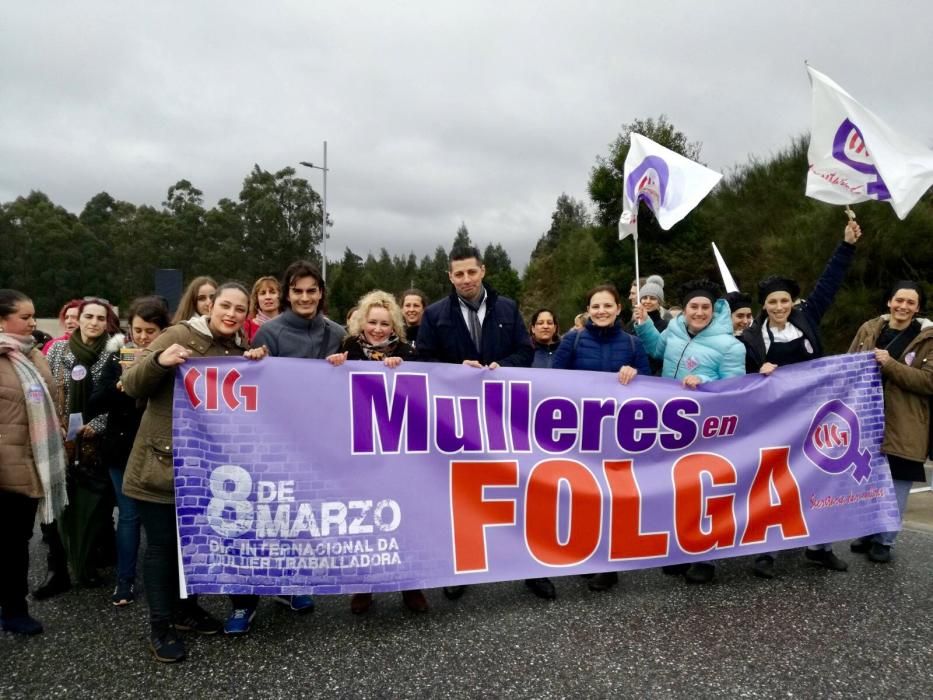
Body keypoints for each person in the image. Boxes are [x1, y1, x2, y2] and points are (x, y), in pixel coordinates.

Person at [122, 282, 266, 663]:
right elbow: (133, 382)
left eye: (240, 309)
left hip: (204, 469)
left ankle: (185, 611)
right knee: (163, 548)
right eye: (225, 306)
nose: (231, 314)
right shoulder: (180, 334)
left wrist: (257, 364)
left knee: (191, 547)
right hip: (161, 464)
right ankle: (161, 626)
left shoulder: (236, 350)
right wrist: (159, 361)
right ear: (211, 306)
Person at [416, 246, 554, 601]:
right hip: (456, 418)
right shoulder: (434, 314)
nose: (465, 280)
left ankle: (531, 567)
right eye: (458, 274)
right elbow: (424, 360)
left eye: (471, 273)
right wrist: (456, 371)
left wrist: (501, 366)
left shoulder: (506, 308)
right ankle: (458, 567)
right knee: (459, 491)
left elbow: (526, 351)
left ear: (483, 271)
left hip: (504, 414)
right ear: (450, 276)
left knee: (519, 485)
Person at [228, 261, 345, 634]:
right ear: (286, 294)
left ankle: (292, 586)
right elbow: (252, 388)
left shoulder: (338, 333)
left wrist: (350, 363)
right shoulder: (270, 333)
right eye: (298, 291)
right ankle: (243, 602)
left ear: (321, 293)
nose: (306, 297)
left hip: (318, 445)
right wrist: (253, 361)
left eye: (312, 290)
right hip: (273, 445)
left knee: (299, 520)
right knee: (259, 521)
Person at [741, 221, 862, 579]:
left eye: (784, 300)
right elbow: (740, 382)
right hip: (773, 422)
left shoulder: (807, 318)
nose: (779, 307)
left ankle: (819, 548)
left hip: (813, 417)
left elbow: (830, 282)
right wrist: (755, 371)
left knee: (819, 479)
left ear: (793, 302)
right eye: (772, 302)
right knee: (770, 484)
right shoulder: (750, 338)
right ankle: (766, 552)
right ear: (763, 305)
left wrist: (847, 246)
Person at [633, 279, 746, 583]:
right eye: (693, 307)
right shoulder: (675, 328)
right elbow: (657, 351)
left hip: (708, 429)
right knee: (678, 490)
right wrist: (644, 326)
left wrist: (706, 385)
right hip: (674, 425)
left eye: (704, 307)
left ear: (714, 310)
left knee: (705, 492)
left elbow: (735, 391)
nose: (698, 312)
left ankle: (706, 557)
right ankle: (682, 551)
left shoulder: (731, 346)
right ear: (684, 309)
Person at [326, 290, 429, 614]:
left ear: (394, 325)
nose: (378, 329)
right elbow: (325, 392)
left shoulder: (408, 352)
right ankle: (364, 585)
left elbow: (425, 393)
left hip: (399, 449)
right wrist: (334, 367)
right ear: (361, 322)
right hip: (359, 450)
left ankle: (410, 584)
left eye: (385, 323)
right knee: (364, 518)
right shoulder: (347, 349)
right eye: (372, 322)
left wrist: (402, 370)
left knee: (408, 517)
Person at [552, 284, 651, 592]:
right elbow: (552, 380)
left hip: (619, 436)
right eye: (595, 306)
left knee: (614, 499)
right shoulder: (573, 340)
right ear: (588, 310)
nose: (601, 311)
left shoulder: (633, 344)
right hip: (582, 433)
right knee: (585, 496)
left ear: (619, 309)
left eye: (607, 305)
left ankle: (609, 563)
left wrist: (634, 375)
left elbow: (650, 385)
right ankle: (587, 555)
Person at [85, 296, 171, 606]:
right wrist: (125, 382)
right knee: (129, 516)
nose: (144, 337)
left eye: (151, 331)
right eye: (137, 330)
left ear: (164, 330)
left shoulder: (171, 358)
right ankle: (124, 581)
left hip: (160, 449)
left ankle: (170, 583)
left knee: (162, 520)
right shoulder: (116, 358)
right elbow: (94, 402)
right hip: (122, 448)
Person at [43, 298, 124, 592]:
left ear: (107, 323)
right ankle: (58, 570)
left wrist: (98, 425)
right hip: (61, 437)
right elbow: (47, 388)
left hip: (96, 442)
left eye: (100, 318)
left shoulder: (112, 354)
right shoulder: (57, 351)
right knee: (58, 504)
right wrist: (57, 424)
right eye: (88, 316)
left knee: (95, 506)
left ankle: (87, 563)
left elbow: (117, 397)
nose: (93, 322)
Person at [848, 281, 932, 562]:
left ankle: (884, 540)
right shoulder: (870, 329)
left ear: (918, 308)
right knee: (868, 480)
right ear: (889, 302)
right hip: (866, 418)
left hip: (907, 422)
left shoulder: (928, 338)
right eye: (899, 300)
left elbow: (928, 381)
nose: (903, 307)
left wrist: (891, 364)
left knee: (897, 483)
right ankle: (868, 531)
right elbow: (848, 364)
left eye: (910, 303)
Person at [0, 290, 68, 635]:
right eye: (25, 317)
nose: (32, 322)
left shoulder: (31, 355)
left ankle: (13, 609)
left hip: (30, 466)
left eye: (33, 316)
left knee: (16, 543)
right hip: (5, 467)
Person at [243, 276, 281, 343]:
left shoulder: (291, 325)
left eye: (272, 292)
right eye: (263, 293)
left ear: (280, 296)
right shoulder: (247, 326)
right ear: (256, 298)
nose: (268, 297)